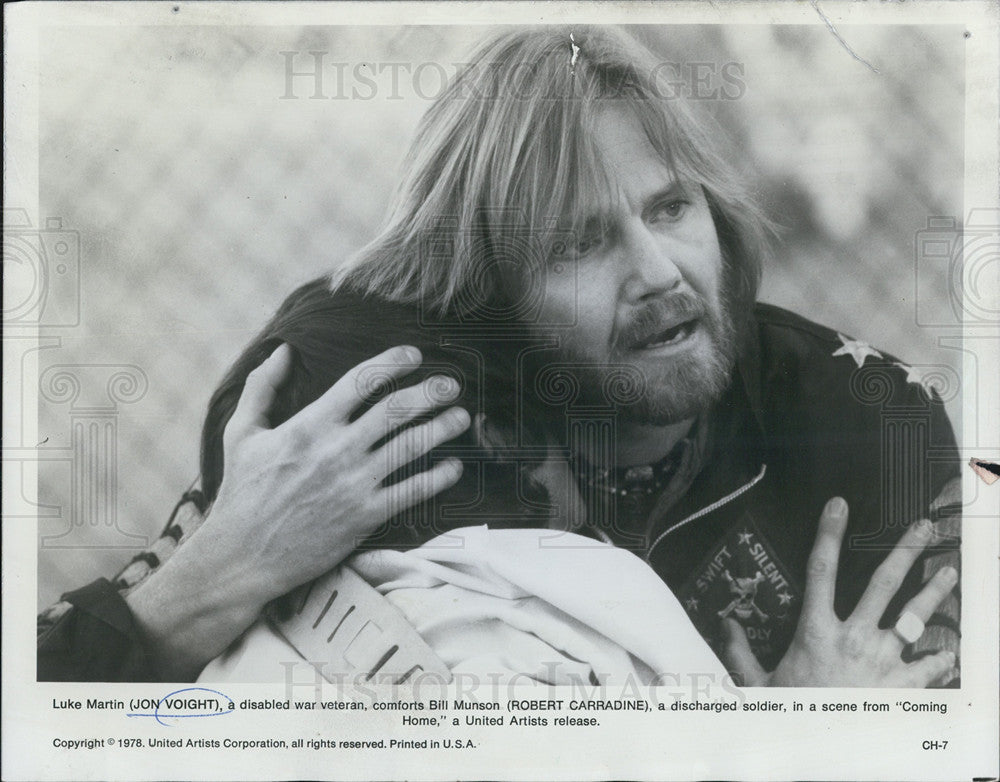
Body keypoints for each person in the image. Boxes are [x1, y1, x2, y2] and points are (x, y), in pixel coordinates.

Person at [38, 26, 960, 686]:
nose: (656, 272)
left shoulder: (860, 418)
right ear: (489, 297)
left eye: (670, 208)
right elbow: (46, 691)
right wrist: (224, 563)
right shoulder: (380, 417)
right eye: (579, 243)